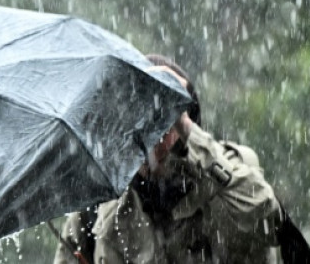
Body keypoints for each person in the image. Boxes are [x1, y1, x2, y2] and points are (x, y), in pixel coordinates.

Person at [53, 54, 285, 264]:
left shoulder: (227, 172)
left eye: (159, 120)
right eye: (132, 119)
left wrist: (184, 123)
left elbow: (268, 221)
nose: (146, 134)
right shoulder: (99, 205)